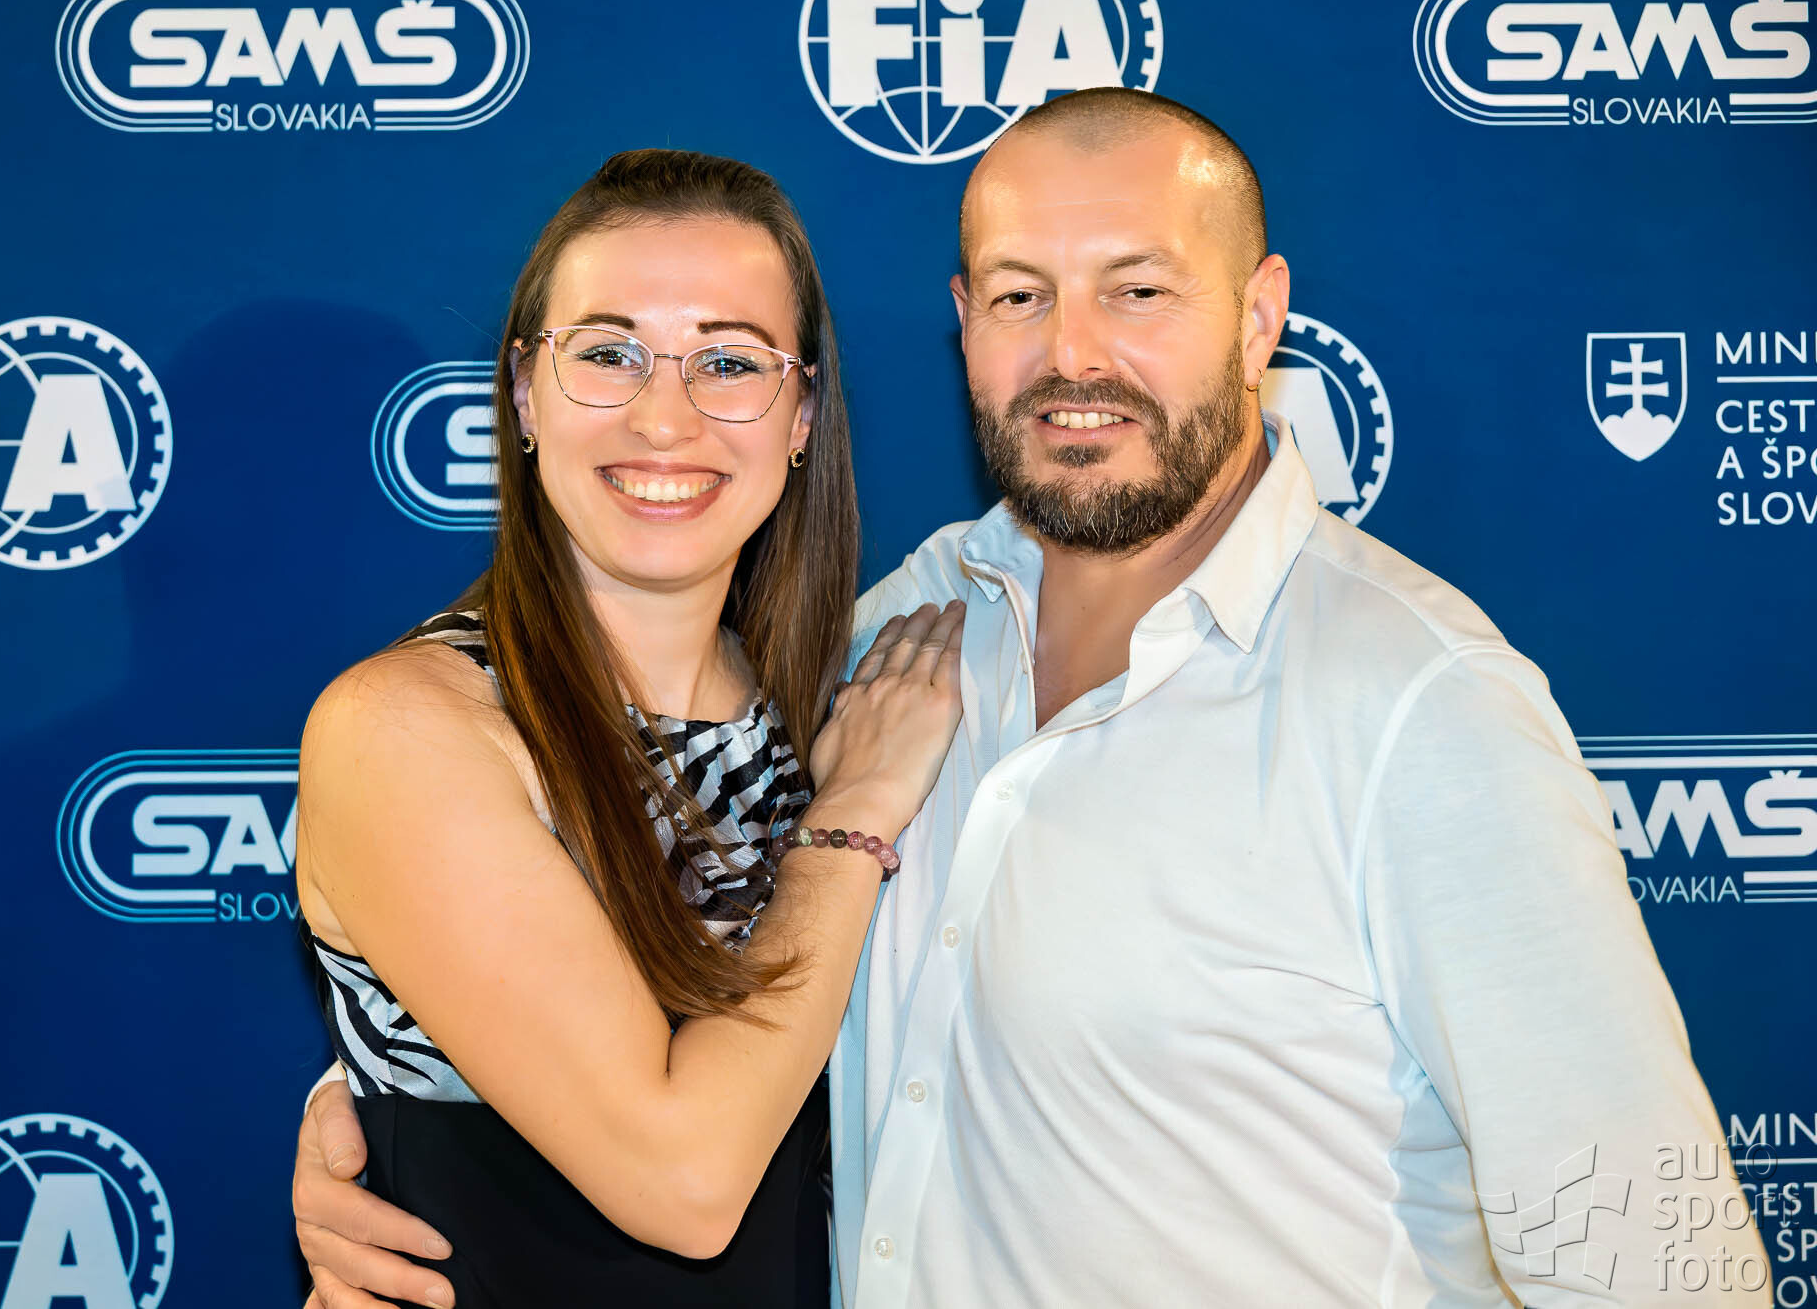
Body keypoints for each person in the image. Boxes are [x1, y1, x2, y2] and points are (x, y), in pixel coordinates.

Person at [295, 91, 1766, 1306]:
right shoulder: (894, 645)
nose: (1073, 354)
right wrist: (391, 1105)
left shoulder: (1418, 705)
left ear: (1259, 317)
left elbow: (1659, 1259)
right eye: (1020, 295)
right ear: (962, 320)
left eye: (1138, 289)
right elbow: (630, 982)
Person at [292, 147, 964, 1309]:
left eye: (728, 361)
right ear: (523, 392)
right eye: (608, 354)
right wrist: (847, 825)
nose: (664, 417)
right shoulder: (406, 728)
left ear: (801, 414)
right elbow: (684, 1183)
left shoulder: (835, 708)